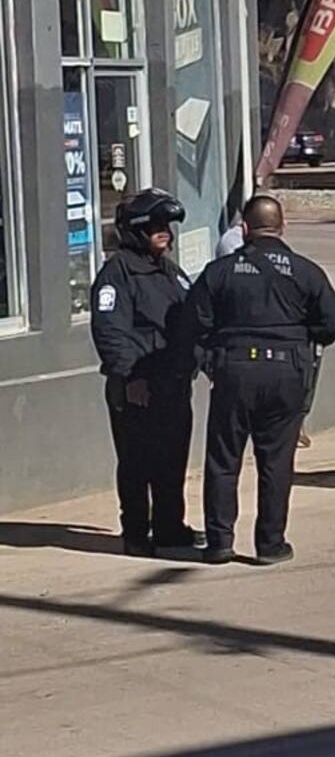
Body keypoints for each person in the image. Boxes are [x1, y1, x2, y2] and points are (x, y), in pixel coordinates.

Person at [183, 194, 335, 565]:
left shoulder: (220, 271)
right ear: (283, 227)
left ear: (244, 230)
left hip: (234, 370)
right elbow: (331, 322)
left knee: (224, 460)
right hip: (287, 372)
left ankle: (220, 542)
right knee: (276, 462)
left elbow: (193, 323)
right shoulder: (305, 271)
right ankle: (270, 544)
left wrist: (210, 361)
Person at [89, 188, 200, 557]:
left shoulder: (171, 272)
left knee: (173, 459)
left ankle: (170, 528)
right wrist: (129, 377)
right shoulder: (117, 274)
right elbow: (110, 330)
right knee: (137, 462)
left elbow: (191, 319)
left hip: (172, 384)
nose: (163, 231)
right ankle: (136, 532)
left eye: (166, 225)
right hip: (137, 386)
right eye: (155, 225)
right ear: (136, 230)